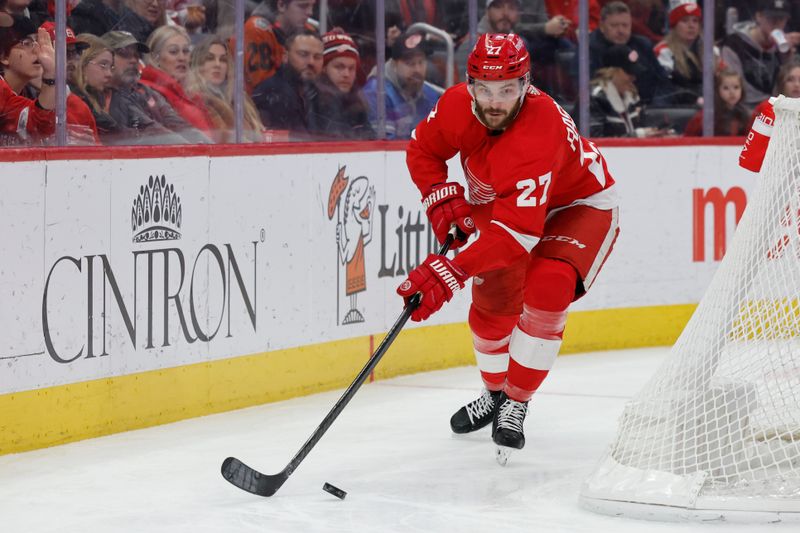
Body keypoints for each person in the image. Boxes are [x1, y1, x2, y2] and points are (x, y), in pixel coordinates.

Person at [397, 33, 618, 459]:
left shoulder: (539, 128)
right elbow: (422, 150)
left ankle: (515, 402)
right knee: (489, 316)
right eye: (484, 89)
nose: (494, 101)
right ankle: (494, 394)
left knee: (548, 284)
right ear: (470, 84)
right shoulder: (457, 104)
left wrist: (450, 270)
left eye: (507, 89)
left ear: (526, 84)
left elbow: (518, 235)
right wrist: (438, 195)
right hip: (507, 206)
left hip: (576, 206)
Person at [102, 30, 210, 144]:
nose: (133, 60)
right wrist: (190, 151)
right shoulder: (103, 96)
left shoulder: (145, 91)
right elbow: (151, 130)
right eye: (124, 54)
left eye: (136, 55)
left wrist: (211, 149)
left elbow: (177, 124)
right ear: (105, 59)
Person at [363, 29, 443, 140]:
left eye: (421, 62)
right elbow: (384, 147)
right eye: (410, 63)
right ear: (394, 65)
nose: (417, 69)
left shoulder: (430, 94)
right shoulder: (377, 92)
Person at [587, 1, 671, 104]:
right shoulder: (589, 49)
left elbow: (661, 80)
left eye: (625, 25)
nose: (621, 30)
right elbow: (586, 88)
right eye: (614, 25)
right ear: (602, 26)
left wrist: (656, 108)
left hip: (647, 108)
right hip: (605, 108)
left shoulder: (643, 45)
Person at [721, 0, 800, 110]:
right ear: (759, 16)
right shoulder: (735, 44)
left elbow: (788, 87)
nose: (776, 24)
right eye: (771, 18)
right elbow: (730, 84)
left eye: (781, 19)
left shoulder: (781, 47)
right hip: (744, 107)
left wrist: (787, 58)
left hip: (775, 106)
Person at [185, 35, 265, 142]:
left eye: (223, 60)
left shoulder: (239, 100)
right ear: (199, 63)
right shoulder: (196, 100)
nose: (217, 64)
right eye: (210, 58)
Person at [141, 25, 214, 138]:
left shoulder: (192, 93)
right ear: (155, 58)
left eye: (186, 51)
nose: (182, 57)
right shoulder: (148, 93)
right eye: (173, 52)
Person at [252, 28, 322, 137]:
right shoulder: (271, 94)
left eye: (317, 57)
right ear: (285, 56)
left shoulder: (316, 95)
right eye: (303, 54)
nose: (311, 62)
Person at [0, 15, 55, 145]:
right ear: (3, 56)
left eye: (37, 42)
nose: (37, 50)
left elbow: (39, 126)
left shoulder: (23, 94)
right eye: (26, 43)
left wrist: (51, 73)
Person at [242, 0, 316, 94]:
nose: (310, 12)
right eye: (303, 6)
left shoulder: (308, 31)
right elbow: (262, 88)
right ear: (281, 5)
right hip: (257, 104)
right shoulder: (256, 30)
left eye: (312, 6)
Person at [312, 30, 374, 140]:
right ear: (324, 68)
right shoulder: (311, 102)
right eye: (339, 67)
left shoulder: (357, 103)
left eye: (352, 68)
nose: (346, 74)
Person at [589, 45, 654, 138]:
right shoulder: (593, 99)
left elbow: (642, 127)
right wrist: (637, 135)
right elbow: (594, 140)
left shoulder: (632, 97)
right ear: (611, 72)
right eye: (629, 72)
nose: (634, 78)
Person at [654, 0, 706, 105]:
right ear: (674, 25)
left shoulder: (711, 50)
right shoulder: (664, 51)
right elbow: (665, 88)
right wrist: (694, 100)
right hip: (678, 109)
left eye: (695, 21)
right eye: (685, 21)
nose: (691, 26)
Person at [684, 68, 749, 136]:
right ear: (717, 90)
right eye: (726, 88)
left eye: (736, 87)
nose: (732, 92)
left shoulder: (746, 116)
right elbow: (687, 140)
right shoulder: (705, 116)